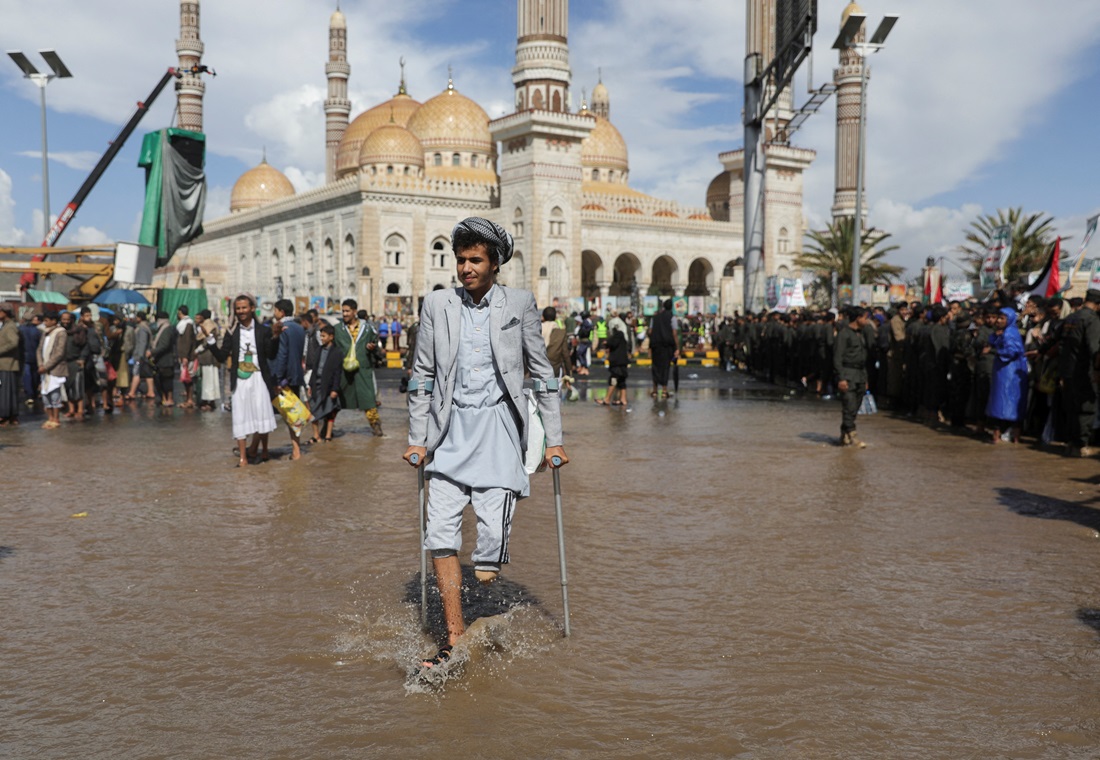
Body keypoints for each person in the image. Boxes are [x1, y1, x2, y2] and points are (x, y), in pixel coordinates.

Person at [403, 217, 568, 670]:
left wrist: (554, 441)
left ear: (495, 263)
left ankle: (487, 588)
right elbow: (422, 375)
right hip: (449, 430)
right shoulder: (437, 305)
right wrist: (418, 439)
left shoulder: (519, 303)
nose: (466, 268)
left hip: (498, 429)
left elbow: (543, 374)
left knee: (489, 557)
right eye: (460, 260)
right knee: (439, 535)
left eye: (475, 260)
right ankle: (453, 637)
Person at [207, 294, 278, 466]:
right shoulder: (232, 333)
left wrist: (275, 337)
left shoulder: (264, 330)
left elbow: (271, 354)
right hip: (240, 379)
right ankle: (243, 458)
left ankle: (264, 451)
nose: (241, 311)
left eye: (244, 308)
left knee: (262, 413)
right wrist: (210, 341)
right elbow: (223, 355)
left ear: (252, 308)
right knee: (240, 416)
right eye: (238, 309)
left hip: (259, 377)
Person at [1057, 289, 1100, 456]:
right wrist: (1097, 370)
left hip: (1067, 371)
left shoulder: (1071, 317)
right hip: (1084, 371)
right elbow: (1095, 349)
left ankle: (1071, 443)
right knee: (1086, 409)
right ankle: (1081, 445)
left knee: (1072, 408)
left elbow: (1058, 343)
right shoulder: (1092, 320)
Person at [333, 298, 383, 436]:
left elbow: (376, 347)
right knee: (336, 399)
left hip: (363, 369)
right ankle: (327, 428)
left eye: (347, 311)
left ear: (354, 311)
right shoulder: (338, 329)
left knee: (368, 400)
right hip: (343, 371)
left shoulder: (367, 329)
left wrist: (371, 348)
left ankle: (376, 427)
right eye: (343, 311)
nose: (344, 314)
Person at [984, 306, 1028, 443]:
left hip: (1010, 372)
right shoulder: (1004, 332)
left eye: (1002, 318)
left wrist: (995, 352)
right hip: (1004, 371)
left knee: (1006, 401)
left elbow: (1011, 351)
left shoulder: (1010, 333)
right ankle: (1003, 435)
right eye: (999, 318)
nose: (998, 321)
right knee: (1001, 401)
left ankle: (1005, 436)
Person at [271, 298, 307, 460]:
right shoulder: (300, 328)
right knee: (294, 415)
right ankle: (296, 449)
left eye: (275, 310)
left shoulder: (283, 328)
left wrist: (278, 379)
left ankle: (258, 448)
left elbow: (282, 355)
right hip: (297, 375)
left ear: (281, 312)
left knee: (270, 413)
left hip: (284, 378)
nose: (274, 313)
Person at [835, 306, 870, 447]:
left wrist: (865, 379)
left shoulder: (860, 334)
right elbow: (837, 358)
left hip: (860, 375)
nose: (867, 321)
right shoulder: (844, 334)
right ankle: (852, 434)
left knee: (855, 406)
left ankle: (844, 434)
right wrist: (841, 378)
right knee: (849, 405)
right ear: (857, 318)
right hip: (848, 374)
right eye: (865, 318)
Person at [307, 323, 342, 442]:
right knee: (312, 410)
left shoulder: (337, 352)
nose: (321, 338)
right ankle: (316, 435)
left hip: (329, 386)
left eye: (324, 336)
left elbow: (338, 372)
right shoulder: (318, 350)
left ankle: (328, 435)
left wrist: (334, 389)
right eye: (321, 336)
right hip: (317, 384)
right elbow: (314, 369)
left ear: (331, 337)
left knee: (330, 410)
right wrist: (310, 385)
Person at [37, 310, 68, 430]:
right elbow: (39, 350)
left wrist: (47, 366)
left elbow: (59, 353)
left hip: (55, 368)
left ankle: (56, 419)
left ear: (54, 321)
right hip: (44, 368)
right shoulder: (45, 333)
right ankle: (50, 418)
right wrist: (41, 364)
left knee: (55, 395)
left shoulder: (61, 333)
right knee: (45, 395)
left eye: (46, 321)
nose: (44, 323)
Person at [648, 299, 678, 398]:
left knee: (655, 367)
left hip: (656, 345)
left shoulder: (654, 318)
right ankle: (664, 391)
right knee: (665, 367)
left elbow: (650, 331)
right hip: (667, 346)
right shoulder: (672, 318)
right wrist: (677, 348)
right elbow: (674, 333)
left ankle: (655, 390)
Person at [194, 309, 221, 411]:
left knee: (208, 380)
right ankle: (210, 401)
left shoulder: (207, 326)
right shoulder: (213, 324)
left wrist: (197, 350)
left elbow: (206, 342)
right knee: (211, 379)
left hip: (207, 357)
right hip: (211, 358)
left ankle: (209, 401)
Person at [0, 304, 22, 426]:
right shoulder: (5, 326)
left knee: (7, 392)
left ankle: (7, 415)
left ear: (5, 312)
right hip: (3, 365)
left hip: (8, 364)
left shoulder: (10, 327)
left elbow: (13, 343)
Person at [150, 311, 177, 407]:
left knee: (167, 380)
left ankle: (169, 399)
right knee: (161, 380)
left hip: (166, 360)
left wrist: (152, 352)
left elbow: (164, 345)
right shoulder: (162, 329)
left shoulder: (167, 329)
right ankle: (164, 398)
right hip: (161, 360)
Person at [127, 311, 155, 400]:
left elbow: (142, 342)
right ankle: (150, 391)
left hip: (140, 355)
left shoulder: (142, 328)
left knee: (136, 372)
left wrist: (139, 355)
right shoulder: (145, 327)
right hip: (142, 355)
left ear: (139, 318)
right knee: (146, 373)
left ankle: (132, 392)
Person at [176, 305, 198, 408]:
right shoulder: (184, 324)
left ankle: (189, 400)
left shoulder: (188, 324)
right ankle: (188, 399)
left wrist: (185, 356)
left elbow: (187, 341)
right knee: (186, 378)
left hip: (187, 357)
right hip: (184, 356)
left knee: (188, 378)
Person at [19, 313, 42, 410]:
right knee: (35, 375)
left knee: (27, 376)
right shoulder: (37, 331)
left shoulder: (20, 330)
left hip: (24, 356)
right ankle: (35, 392)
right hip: (35, 357)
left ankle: (29, 395)